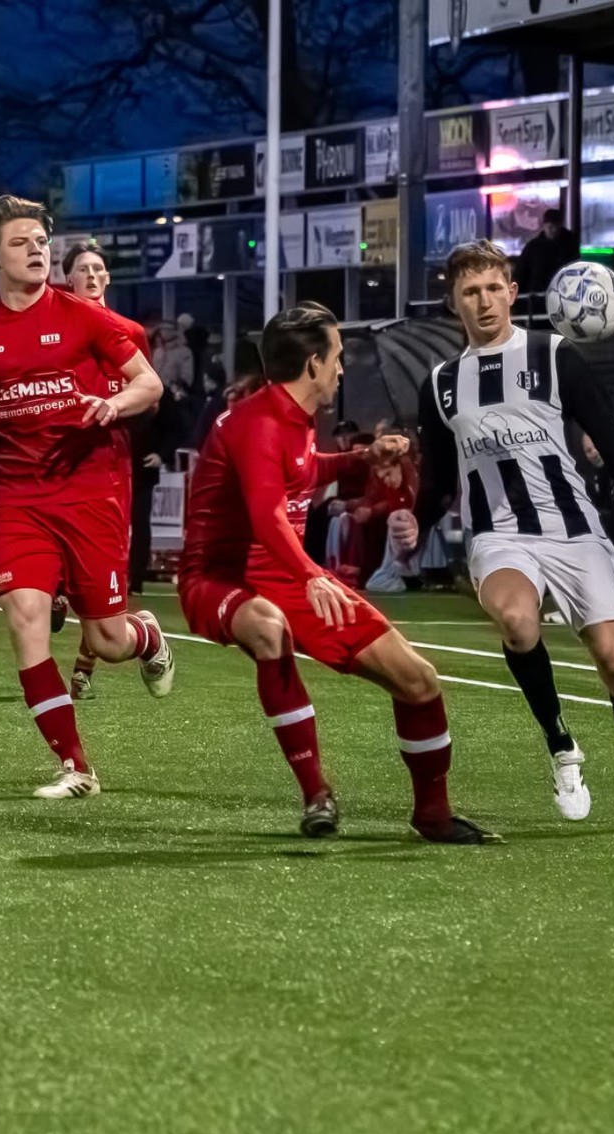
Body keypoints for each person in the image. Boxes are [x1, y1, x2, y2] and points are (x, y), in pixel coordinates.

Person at [179, 302, 495, 844]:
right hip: (219, 577)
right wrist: (311, 574)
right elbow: (267, 516)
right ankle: (316, 794)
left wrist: (361, 457)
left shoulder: (291, 415)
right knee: (269, 628)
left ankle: (433, 815)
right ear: (313, 365)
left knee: (418, 680)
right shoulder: (258, 424)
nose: (342, 368)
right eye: (338, 357)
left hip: (284, 573)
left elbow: (302, 471)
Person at [406, 241, 614, 833]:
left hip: (575, 530)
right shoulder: (440, 384)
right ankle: (561, 745)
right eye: (470, 292)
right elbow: (438, 480)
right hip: (498, 536)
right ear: (454, 303)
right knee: (517, 622)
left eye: (493, 288)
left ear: (512, 292)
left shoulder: (555, 355)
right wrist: (415, 520)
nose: (484, 301)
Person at [0, 195, 175, 800]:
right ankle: (77, 768)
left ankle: (147, 637)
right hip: (20, 498)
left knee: (107, 641)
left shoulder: (84, 317)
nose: (36, 250)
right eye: (20, 242)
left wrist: (113, 404)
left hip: (90, 493)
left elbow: (150, 384)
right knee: (26, 617)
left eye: (42, 242)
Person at [58, 238, 156, 700]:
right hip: (61, 460)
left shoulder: (130, 332)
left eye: (99, 269)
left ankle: (84, 668)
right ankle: (55, 590)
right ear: (68, 280)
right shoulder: (54, 330)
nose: (93, 276)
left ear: (108, 278)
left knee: (100, 572)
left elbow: (150, 398)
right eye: (84, 269)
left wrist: (116, 408)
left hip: (110, 466)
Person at [516, 209, 579, 296]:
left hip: (560, 294)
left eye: (556, 227)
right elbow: (521, 273)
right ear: (544, 226)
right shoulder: (533, 248)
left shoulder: (570, 245)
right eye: (550, 227)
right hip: (543, 296)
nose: (554, 230)